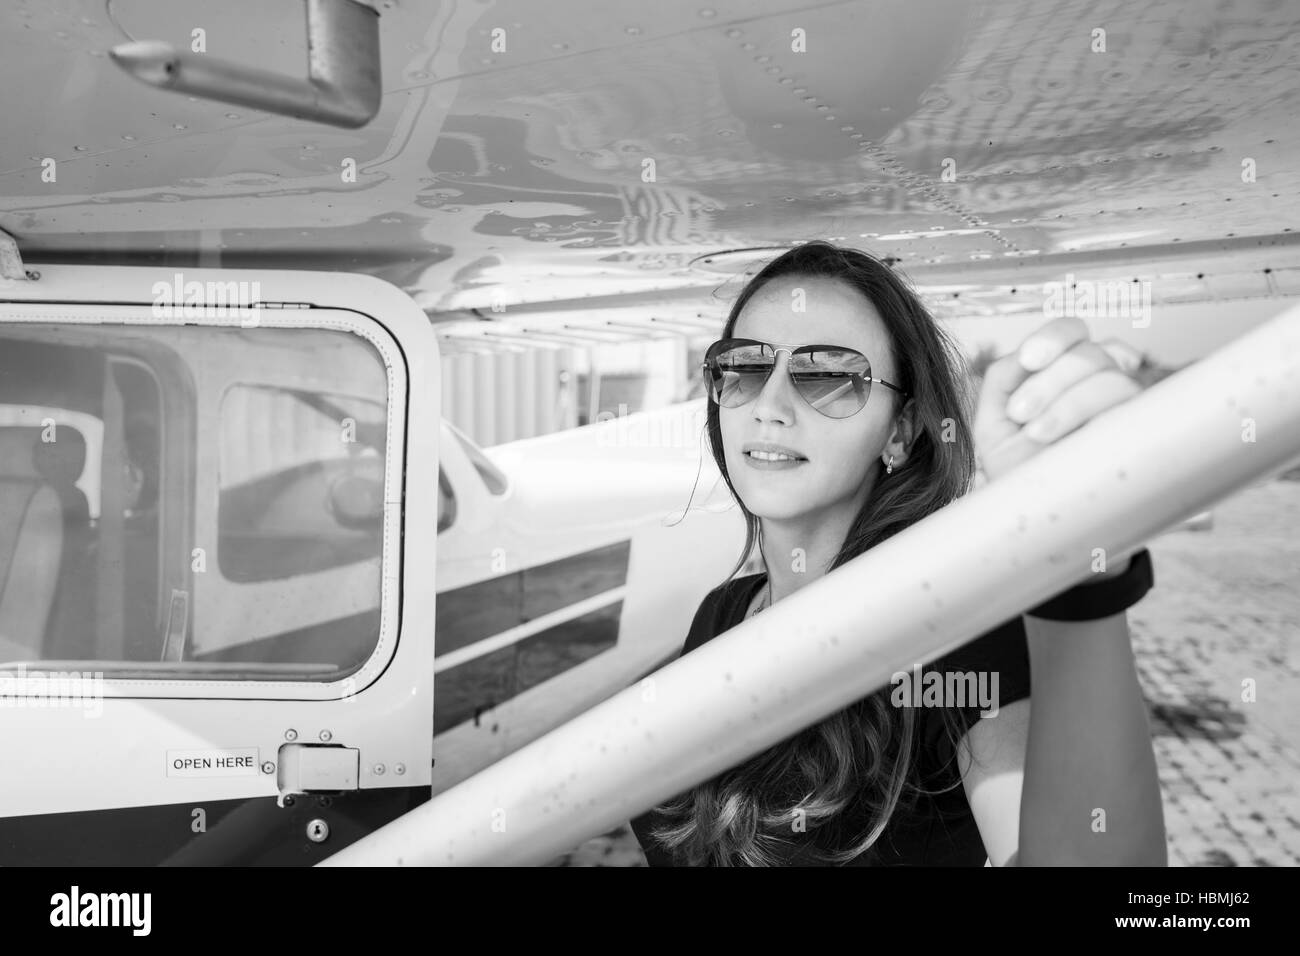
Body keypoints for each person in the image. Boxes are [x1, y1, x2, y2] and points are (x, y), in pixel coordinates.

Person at [629, 241, 1165, 866]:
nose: (769, 407)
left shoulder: (952, 639)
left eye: (828, 374)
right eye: (744, 366)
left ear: (901, 430)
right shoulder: (721, 615)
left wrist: (1079, 566)